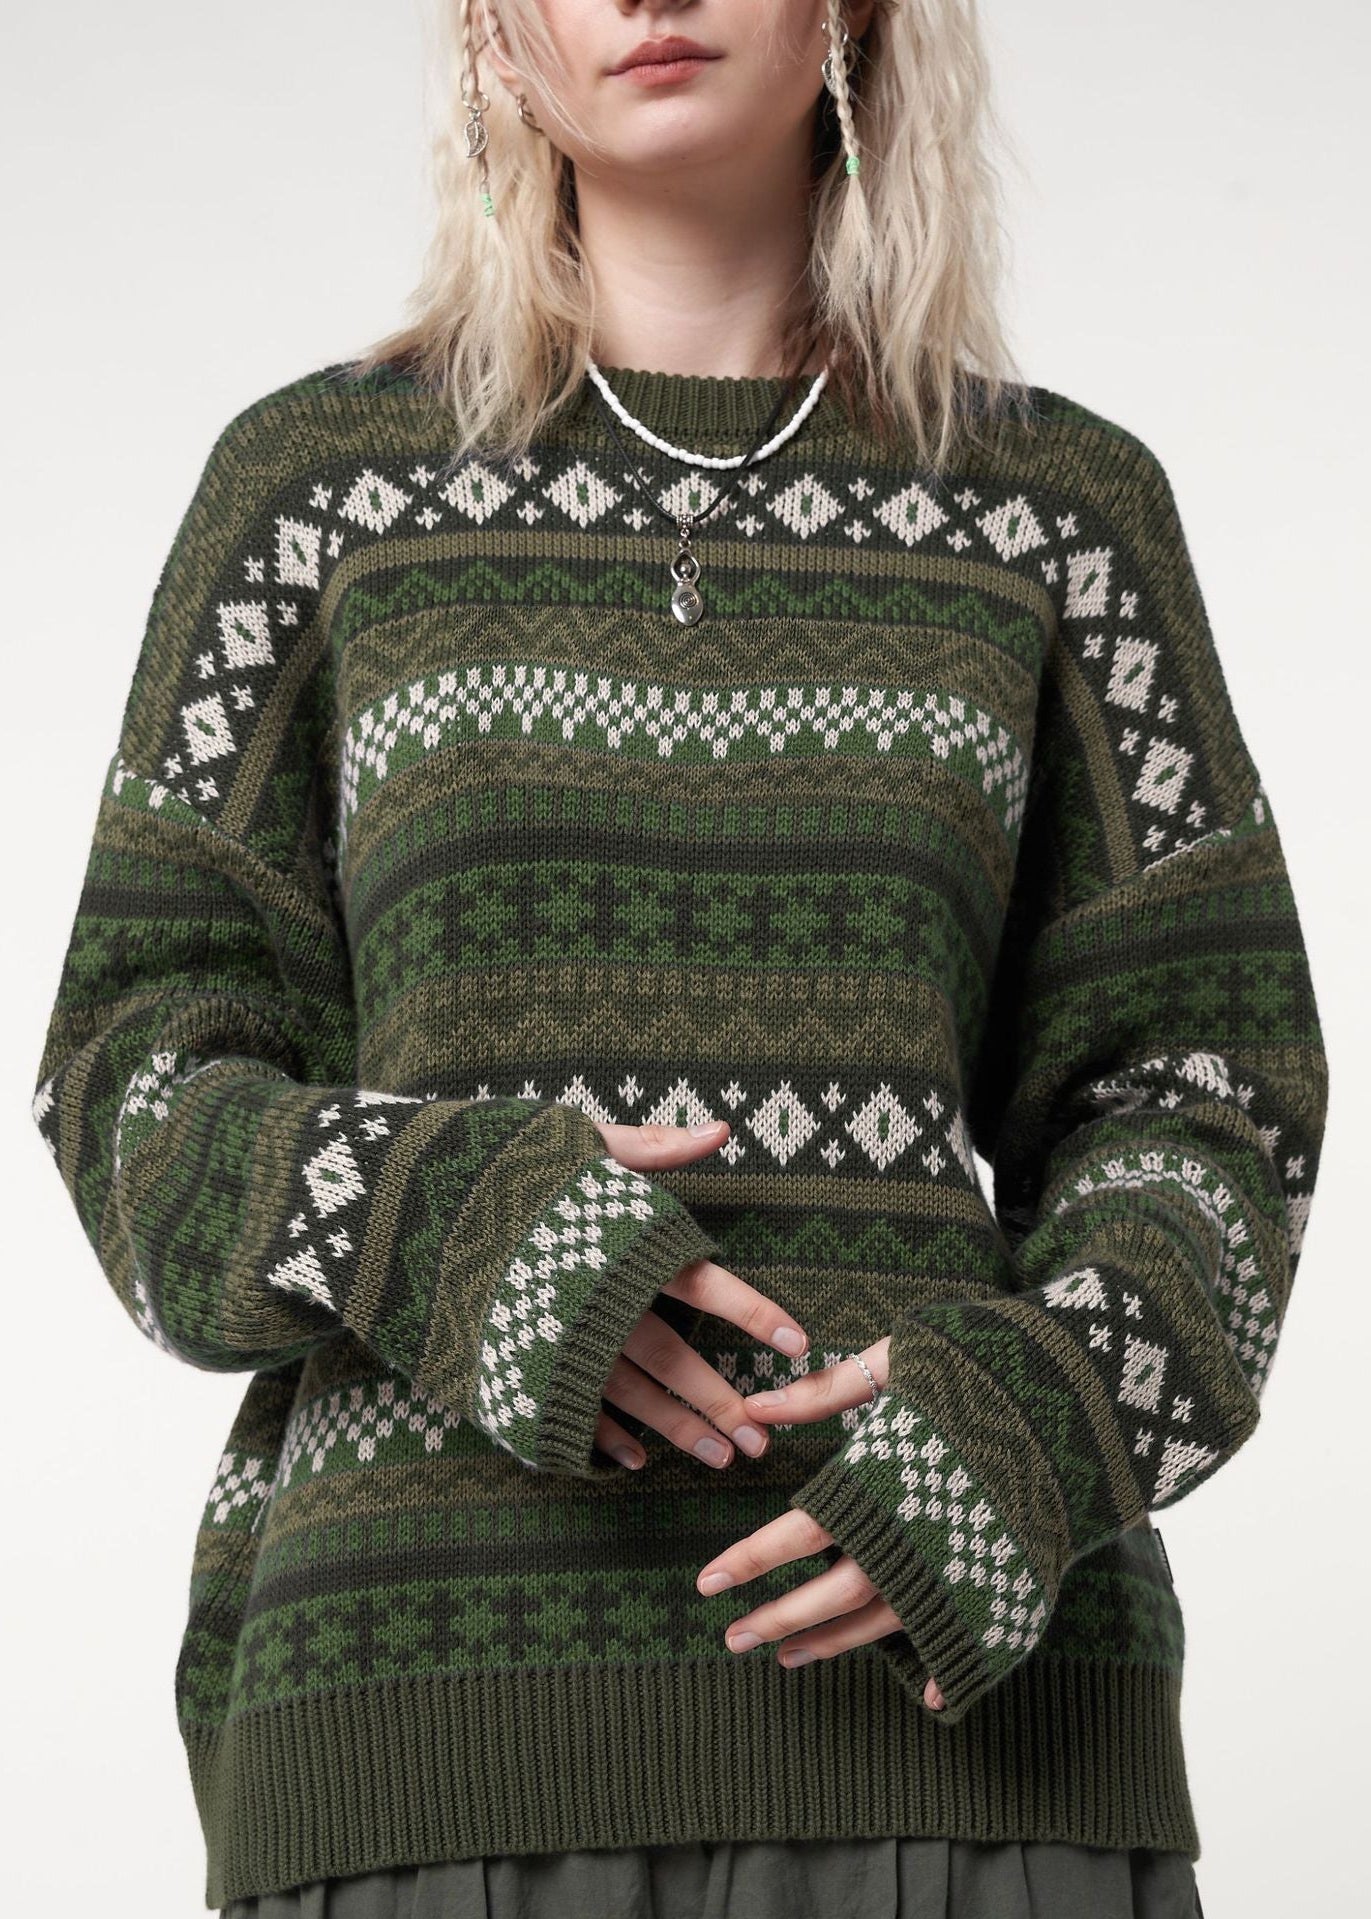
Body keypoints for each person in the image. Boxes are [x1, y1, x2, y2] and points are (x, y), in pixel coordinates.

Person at [29, 3, 1326, 1915]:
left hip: (971, 1751)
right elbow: (130, 1075)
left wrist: (1038, 1422)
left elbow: (1210, 1090)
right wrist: (433, 1216)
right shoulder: (317, 495)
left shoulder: (1059, 518)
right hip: (420, 1731)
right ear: (496, 35)